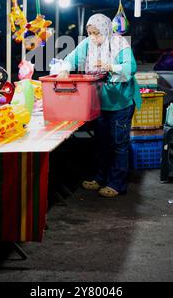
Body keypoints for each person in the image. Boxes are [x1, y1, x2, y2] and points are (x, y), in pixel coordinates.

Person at [57, 13, 142, 198]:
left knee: (119, 143)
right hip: (99, 102)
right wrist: (64, 69)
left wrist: (111, 66)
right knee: (101, 142)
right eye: (90, 33)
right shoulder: (88, 44)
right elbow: (71, 58)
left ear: (105, 30)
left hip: (121, 102)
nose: (93, 37)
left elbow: (131, 68)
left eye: (96, 33)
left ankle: (117, 183)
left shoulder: (120, 44)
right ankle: (99, 178)